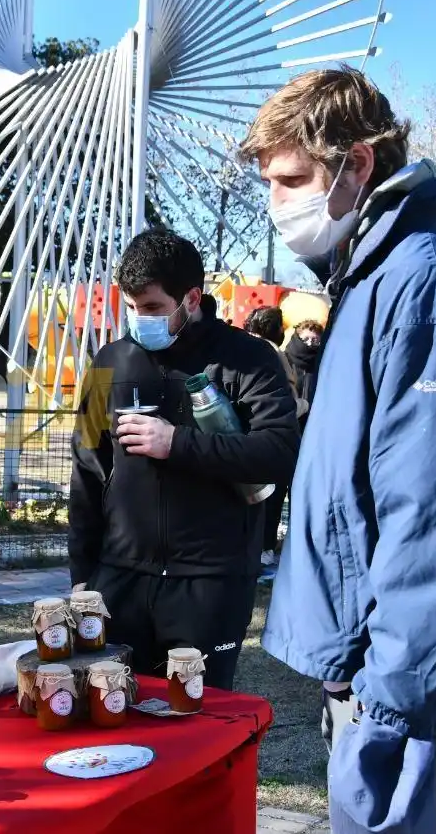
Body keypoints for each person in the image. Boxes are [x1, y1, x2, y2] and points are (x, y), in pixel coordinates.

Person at [241, 67, 436, 834]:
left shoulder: (423, 287)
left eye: (293, 178)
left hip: (406, 683)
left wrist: (389, 692)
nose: (280, 204)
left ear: (358, 162)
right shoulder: (371, 281)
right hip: (379, 668)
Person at [68, 228, 299, 689]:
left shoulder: (248, 360)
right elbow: (87, 471)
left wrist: (177, 443)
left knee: (198, 726)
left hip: (210, 585)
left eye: (152, 308)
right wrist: (82, 576)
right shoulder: (110, 362)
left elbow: (278, 452)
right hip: (120, 581)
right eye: (131, 308)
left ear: (191, 298)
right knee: (114, 717)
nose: (139, 320)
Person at [243, 306, 305, 568]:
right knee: (270, 498)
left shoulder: (242, 346)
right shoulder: (274, 353)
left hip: (243, 436)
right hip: (272, 436)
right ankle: (265, 548)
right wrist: (306, 404)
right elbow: (286, 402)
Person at [285, 319, 324, 409]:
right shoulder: (285, 360)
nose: (310, 343)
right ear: (298, 338)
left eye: (315, 340)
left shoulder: (321, 365)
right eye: (306, 339)